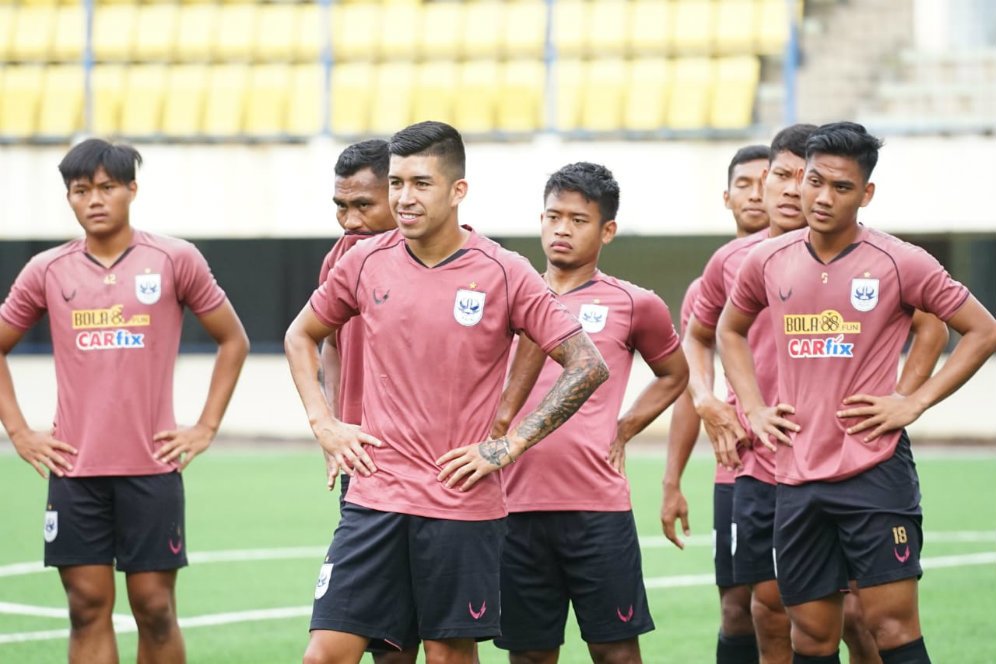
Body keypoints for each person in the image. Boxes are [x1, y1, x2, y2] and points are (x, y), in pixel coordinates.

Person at [284, 121, 609, 664]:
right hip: (375, 497)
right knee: (324, 653)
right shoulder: (362, 261)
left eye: (420, 184)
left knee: (446, 655)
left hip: (460, 502)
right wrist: (325, 423)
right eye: (396, 184)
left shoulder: (504, 271)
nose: (404, 198)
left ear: (458, 191)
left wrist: (509, 444)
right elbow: (302, 335)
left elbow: (585, 365)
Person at [717, 121, 996, 664]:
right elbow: (729, 330)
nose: (822, 197)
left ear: (865, 193)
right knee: (813, 638)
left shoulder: (900, 261)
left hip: (874, 471)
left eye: (841, 187)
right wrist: (751, 406)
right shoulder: (767, 260)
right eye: (814, 181)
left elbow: (982, 330)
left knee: (890, 628)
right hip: (795, 476)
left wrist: (914, 400)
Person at [0, 138, 250, 664]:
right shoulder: (48, 270)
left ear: (131, 190)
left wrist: (205, 427)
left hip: (151, 469)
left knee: (154, 607)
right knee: (87, 606)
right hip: (75, 469)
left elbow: (234, 339)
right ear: (68, 197)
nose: (95, 199)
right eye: (80, 190)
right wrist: (19, 432)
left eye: (107, 187)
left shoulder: (174, 258)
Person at [490, 162, 688, 664]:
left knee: (616, 652)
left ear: (607, 231)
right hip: (512, 507)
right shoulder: (505, 299)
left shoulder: (634, 303)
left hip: (596, 510)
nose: (561, 229)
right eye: (553, 216)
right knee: (531, 655)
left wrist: (624, 427)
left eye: (578, 220)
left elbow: (675, 374)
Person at [660, 144, 770, 664]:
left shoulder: (816, 265)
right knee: (736, 610)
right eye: (744, 183)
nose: (757, 192)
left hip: (814, 463)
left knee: (845, 616)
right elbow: (689, 388)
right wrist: (672, 481)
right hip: (740, 466)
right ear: (726, 197)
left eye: (766, 180)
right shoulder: (713, 280)